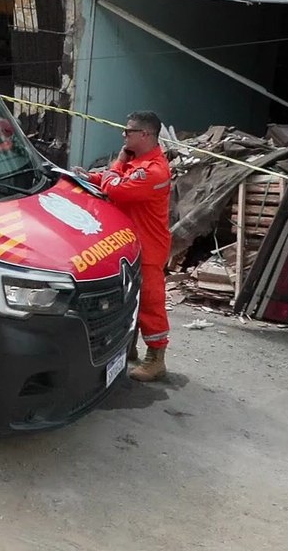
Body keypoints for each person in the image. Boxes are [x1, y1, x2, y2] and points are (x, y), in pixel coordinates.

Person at [75, 111, 172, 382]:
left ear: (145, 135)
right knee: (127, 299)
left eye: (128, 131)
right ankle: (128, 346)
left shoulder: (154, 171)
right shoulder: (137, 161)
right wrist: (92, 177)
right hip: (127, 245)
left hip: (148, 248)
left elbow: (115, 189)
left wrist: (114, 165)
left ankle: (156, 358)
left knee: (151, 304)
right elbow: (112, 180)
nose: (123, 135)